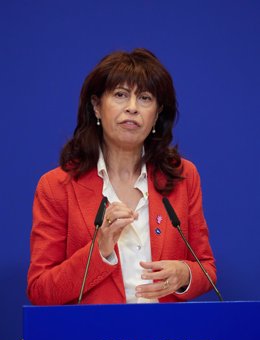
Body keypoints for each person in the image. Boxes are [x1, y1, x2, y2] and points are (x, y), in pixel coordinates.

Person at [27, 48, 216, 305]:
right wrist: (100, 249)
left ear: (157, 114)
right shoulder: (57, 186)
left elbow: (206, 269)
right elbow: (41, 291)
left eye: (145, 98)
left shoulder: (183, 176)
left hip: (166, 338)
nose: (132, 108)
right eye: (120, 95)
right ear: (96, 106)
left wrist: (185, 274)